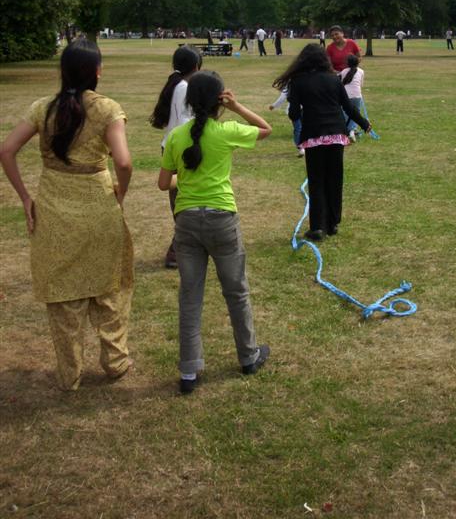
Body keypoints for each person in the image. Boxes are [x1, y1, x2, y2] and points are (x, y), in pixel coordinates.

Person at [0, 39, 134, 391]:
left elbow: (7, 150)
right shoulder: (107, 109)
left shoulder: (43, 108)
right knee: (108, 285)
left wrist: (25, 197)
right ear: (97, 71)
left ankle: (69, 373)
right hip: (98, 203)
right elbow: (123, 161)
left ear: (63, 72)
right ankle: (116, 361)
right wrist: (122, 190)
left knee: (63, 295)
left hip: (54, 206)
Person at [158, 71, 272, 394]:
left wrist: (188, 180)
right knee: (236, 290)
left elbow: (164, 184)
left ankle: (189, 373)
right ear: (219, 100)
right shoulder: (225, 132)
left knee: (190, 297)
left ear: (190, 101)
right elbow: (266, 129)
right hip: (222, 219)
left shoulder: (177, 137)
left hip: (187, 222)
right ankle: (248, 357)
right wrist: (236, 107)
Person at [273, 44, 371, 242]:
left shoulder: (297, 82)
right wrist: (364, 124)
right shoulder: (334, 80)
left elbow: (293, 113)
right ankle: (333, 223)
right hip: (336, 134)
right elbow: (348, 107)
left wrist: (302, 115)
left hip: (314, 135)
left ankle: (318, 226)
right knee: (335, 179)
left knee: (316, 180)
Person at [150, 45, 202, 268]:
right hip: (178, 150)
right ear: (197, 66)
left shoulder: (176, 84)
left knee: (181, 201)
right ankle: (175, 252)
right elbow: (184, 124)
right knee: (183, 202)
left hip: (172, 147)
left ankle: (183, 249)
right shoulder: (183, 87)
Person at [268, 88, 303, 156]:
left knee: (298, 128)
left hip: (295, 109)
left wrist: (273, 106)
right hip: (307, 108)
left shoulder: (290, 83)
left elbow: (282, 97)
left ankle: (301, 148)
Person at [338, 55, 364, 142]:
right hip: (357, 95)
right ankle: (352, 130)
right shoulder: (361, 71)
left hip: (346, 96)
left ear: (347, 63)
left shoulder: (344, 71)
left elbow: (340, 83)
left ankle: (346, 131)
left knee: (345, 113)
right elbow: (361, 84)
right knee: (356, 113)